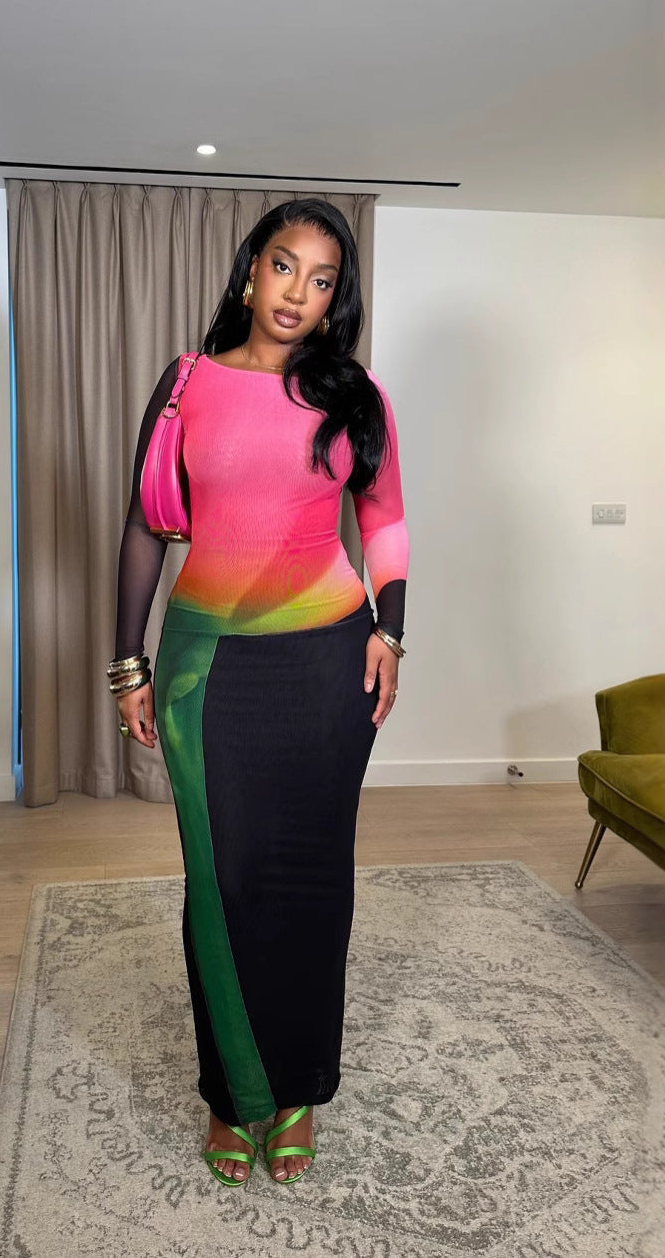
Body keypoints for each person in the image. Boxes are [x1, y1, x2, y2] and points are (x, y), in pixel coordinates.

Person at [109, 198, 409, 1186]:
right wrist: (128, 662)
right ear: (250, 271)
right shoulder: (187, 383)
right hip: (208, 669)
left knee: (311, 882)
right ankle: (231, 1092)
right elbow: (146, 526)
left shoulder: (356, 394)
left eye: (322, 280)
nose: (297, 293)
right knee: (224, 880)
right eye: (285, 266)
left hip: (328, 665)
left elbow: (385, 520)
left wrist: (390, 630)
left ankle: (298, 1093)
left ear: (334, 301)